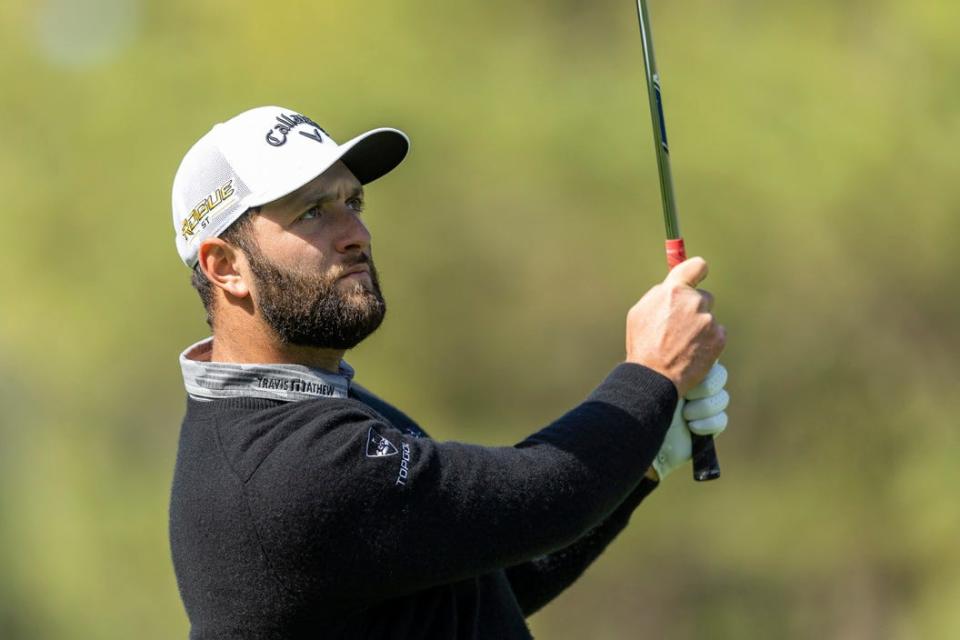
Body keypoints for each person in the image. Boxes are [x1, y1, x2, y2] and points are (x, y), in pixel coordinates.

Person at [168, 105, 730, 639]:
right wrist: (651, 374)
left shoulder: (308, 407)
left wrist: (643, 463)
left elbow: (486, 578)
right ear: (225, 267)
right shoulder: (287, 466)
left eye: (352, 203)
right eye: (312, 212)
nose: (355, 234)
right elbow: (545, 496)